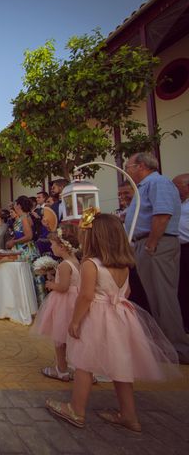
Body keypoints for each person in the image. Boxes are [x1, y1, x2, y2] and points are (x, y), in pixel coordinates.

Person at [45, 211, 179, 432]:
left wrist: (76, 321)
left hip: (96, 316)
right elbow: (126, 292)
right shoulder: (124, 265)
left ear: (94, 237)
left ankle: (76, 409)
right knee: (121, 364)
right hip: (120, 317)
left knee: (84, 364)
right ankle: (129, 415)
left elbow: (86, 296)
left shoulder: (91, 264)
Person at [124, 152, 189, 362]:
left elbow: (162, 214)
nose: (127, 172)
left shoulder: (158, 183)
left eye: (129, 167)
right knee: (153, 296)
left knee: (163, 297)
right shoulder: (145, 186)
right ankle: (164, 346)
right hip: (145, 243)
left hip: (156, 244)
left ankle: (178, 349)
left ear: (141, 166)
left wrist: (152, 243)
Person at [31, 225, 80, 381]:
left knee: (59, 339)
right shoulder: (76, 261)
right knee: (71, 338)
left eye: (53, 244)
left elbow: (64, 287)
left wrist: (51, 285)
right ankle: (76, 367)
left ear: (62, 246)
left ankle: (62, 369)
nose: (51, 247)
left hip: (64, 303)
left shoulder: (65, 265)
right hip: (73, 301)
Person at [172, 173, 189, 332]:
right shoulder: (178, 204)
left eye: (177, 187)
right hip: (179, 249)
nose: (174, 190)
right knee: (182, 285)